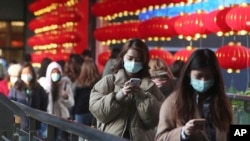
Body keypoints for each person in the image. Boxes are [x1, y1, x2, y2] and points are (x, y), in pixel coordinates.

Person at [89, 38, 165, 141]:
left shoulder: (151, 87)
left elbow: (156, 119)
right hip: (111, 137)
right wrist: (119, 96)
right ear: (122, 57)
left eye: (138, 60)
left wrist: (142, 96)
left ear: (144, 62)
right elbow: (97, 110)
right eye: (130, 58)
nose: (134, 63)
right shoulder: (109, 81)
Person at [156, 49, 233, 141]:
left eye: (208, 77)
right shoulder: (174, 102)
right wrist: (183, 133)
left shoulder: (221, 101)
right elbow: (160, 138)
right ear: (189, 74)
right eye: (198, 76)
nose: (203, 81)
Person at [8, 63, 48, 136]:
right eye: (24, 73)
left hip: (35, 126)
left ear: (32, 73)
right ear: (21, 74)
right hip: (20, 126)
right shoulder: (16, 88)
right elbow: (10, 105)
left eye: (28, 72)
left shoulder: (39, 88)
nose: (26, 75)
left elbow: (44, 104)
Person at [45, 61, 74, 141]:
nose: (55, 75)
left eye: (57, 72)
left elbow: (71, 103)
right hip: (49, 118)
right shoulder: (45, 86)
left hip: (62, 119)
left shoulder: (65, 84)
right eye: (53, 72)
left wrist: (66, 97)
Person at [72, 59, 100, 126]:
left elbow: (74, 100)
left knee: (80, 135)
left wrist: (72, 114)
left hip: (80, 112)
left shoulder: (78, 84)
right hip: (95, 112)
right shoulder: (99, 83)